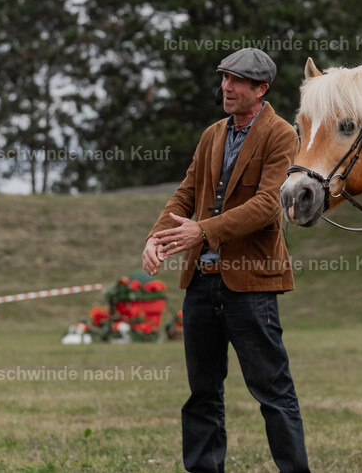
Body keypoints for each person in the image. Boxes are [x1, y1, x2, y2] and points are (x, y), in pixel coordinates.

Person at [142, 47, 309, 472]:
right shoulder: (212, 134)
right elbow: (185, 194)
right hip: (201, 283)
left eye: (237, 80)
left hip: (251, 286)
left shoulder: (282, 135)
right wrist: (157, 237)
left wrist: (203, 230)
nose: (226, 87)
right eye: (224, 78)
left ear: (261, 88)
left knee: (273, 393)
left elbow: (268, 205)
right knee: (202, 394)